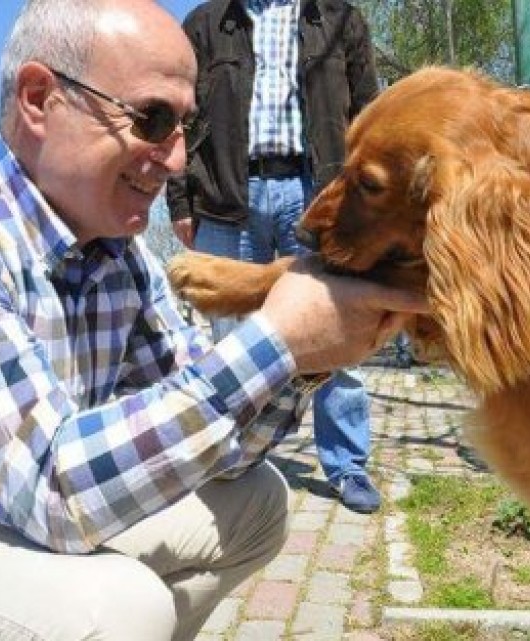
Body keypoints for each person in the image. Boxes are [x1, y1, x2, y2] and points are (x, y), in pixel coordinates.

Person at [0, 2, 426, 640]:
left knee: (257, 502)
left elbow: (225, 447)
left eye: (186, 126)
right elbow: (53, 489)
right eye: (153, 119)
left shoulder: (117, 257)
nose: (179, 158)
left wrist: (306, 357)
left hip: (6, 525)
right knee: (114, 605)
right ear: (41, 98)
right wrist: (273, 339)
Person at [165, 0, 385, 514]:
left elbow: (373, 117)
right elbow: (178, 113)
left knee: (340, 324)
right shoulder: (205, 22)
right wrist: (181, 199)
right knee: (229, 339)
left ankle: (348, 462)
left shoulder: (338, 19)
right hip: (226, 197)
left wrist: (370, 207)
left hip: (318, 194)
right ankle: (229, 461)